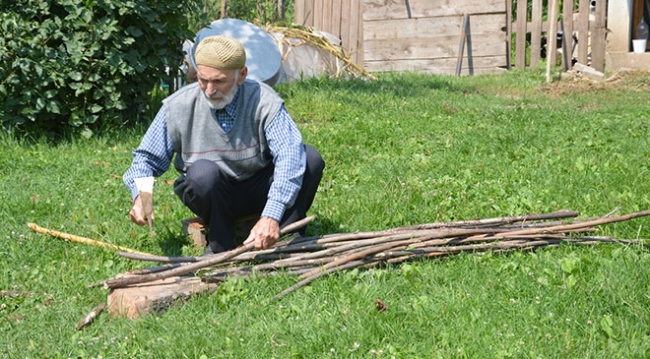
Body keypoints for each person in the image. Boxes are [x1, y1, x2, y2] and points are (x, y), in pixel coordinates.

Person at [123, 35, 325, 254]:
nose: (209, 90)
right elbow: (146, 160)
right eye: (202, 80)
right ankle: (221, 244)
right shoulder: (178, 106)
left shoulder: (264, 101)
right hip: (212, 193)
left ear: (242, 75)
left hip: (259, 188)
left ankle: (286, 235)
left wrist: (271, 214)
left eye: (219, 81)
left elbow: (289, 155)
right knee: (202, 173)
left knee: (309, 158)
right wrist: (142, 197)